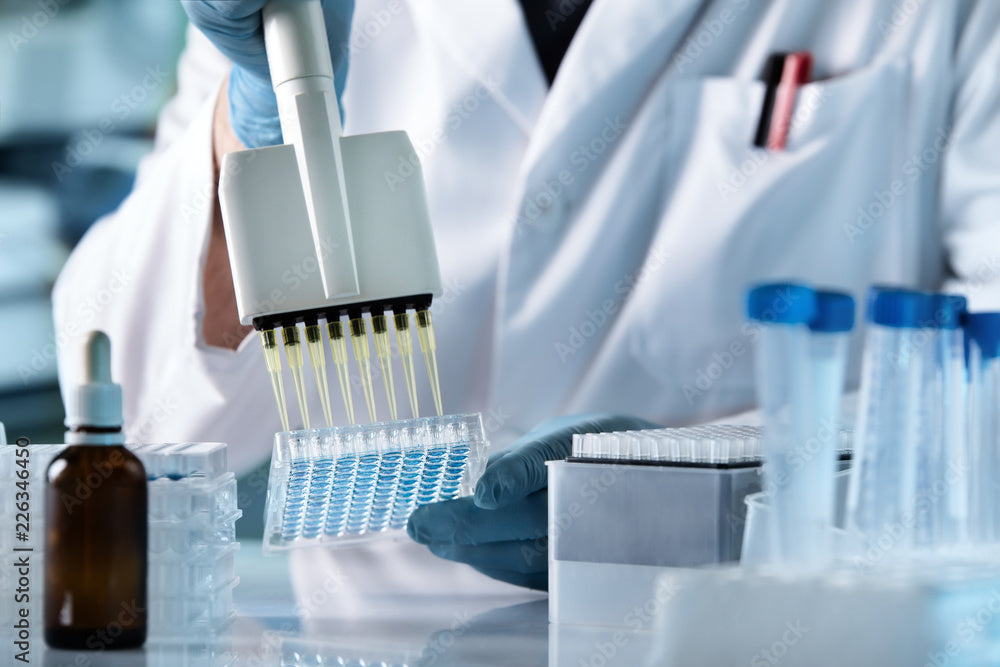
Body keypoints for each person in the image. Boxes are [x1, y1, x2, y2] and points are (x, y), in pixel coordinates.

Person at [53, 0, 1000, 600]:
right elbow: (132, 412)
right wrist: (243, 135)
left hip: (762, 641)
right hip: (376, 648)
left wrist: (719, 494)